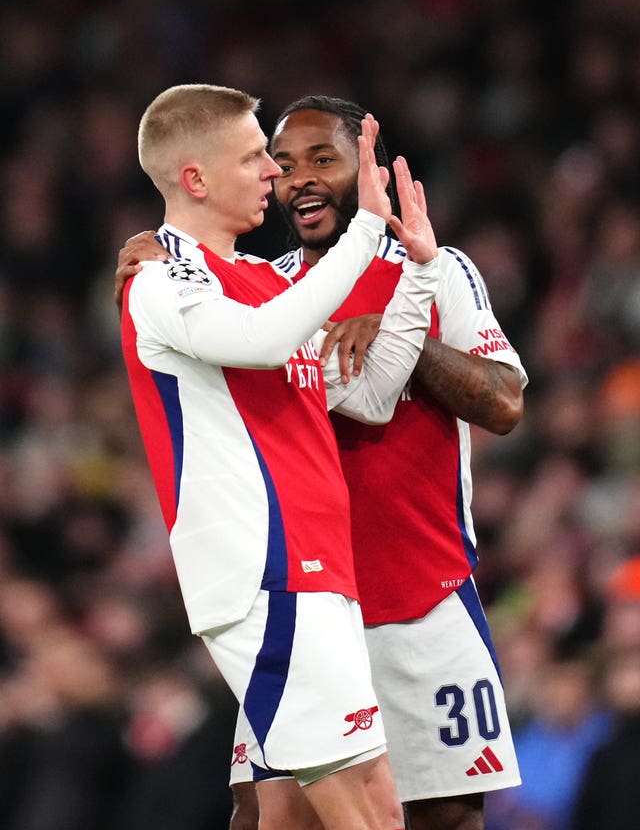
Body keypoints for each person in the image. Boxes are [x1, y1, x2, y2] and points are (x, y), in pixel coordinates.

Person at [116, 94, 526, 830]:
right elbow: (251, 328)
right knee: (270, 812)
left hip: (418, 593)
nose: (295, 177)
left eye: (322, 160)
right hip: (300, 589)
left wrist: (404, 327)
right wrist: (168, 251)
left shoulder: (438, 269)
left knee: (437, 815)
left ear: (363, 166)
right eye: (279, 161)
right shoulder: (261, 286)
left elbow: (503, 404)